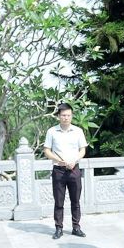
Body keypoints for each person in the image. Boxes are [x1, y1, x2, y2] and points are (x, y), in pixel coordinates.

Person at [43, 103, 88, 240]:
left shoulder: (78, 131)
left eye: (68, 115)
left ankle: (76, 227)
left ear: (72, 116)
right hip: (59, 170)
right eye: (63, 115)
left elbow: (82, 150)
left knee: (76, 200)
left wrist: (75, 160)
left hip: (74, 169)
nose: (66, 118)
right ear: (58, 116)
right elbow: (47, 151)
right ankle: (58, 228)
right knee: (59, 201)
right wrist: (58, 160)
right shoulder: (52, 131)